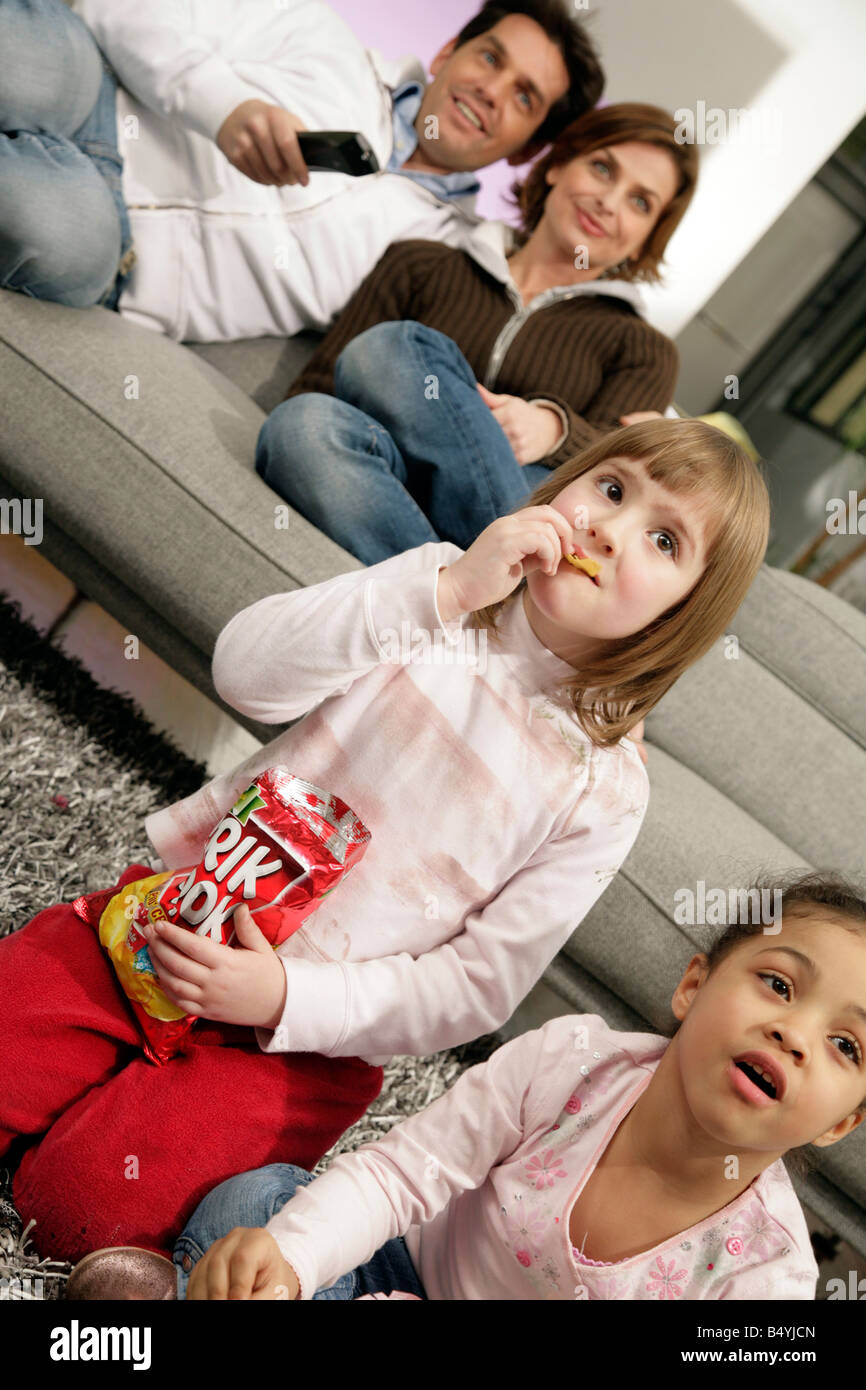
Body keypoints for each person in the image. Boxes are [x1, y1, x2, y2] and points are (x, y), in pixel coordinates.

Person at [0, 418, 769, 1264]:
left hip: (299, 1053)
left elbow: (478, 989)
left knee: (72, 1205)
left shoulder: (605, 790)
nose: (608, 530)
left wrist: (283, 999)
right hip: (168, 928)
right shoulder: (436, 594)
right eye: (612, 489)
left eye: (663, 540)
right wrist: (443, 588)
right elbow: (244, 673)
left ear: (682, 613)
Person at [69, 868, 863, 1301]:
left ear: (840, 1125)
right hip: (390, 1266)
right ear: (693, 986)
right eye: (780, 986)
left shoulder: (767, 1276)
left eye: (844, 1046)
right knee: (260, 1202)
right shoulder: (571, 1062)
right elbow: (398, 1175)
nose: (793, 1036)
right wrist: (293, 1262)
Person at [0, 0, 603, 341]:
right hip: (100, 91)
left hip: (115, 248)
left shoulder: (445, 260)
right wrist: (223, 107)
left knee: (34, 219)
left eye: (524, 97)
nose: (491, 90)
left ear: (529, 150)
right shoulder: (322, 37)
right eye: (490, 58)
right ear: (449, 54)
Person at [256, 103, 697, 562]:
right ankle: (475, 596)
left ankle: (469, 582)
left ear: (649, 236)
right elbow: (319, 390)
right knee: (305, 419)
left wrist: (555, 430)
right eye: (602, 169)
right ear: (559, 166)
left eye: (640, 202)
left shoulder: (645, 350)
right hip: (381, 476)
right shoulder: (421, 265)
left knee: (392, 350)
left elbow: (614, 494)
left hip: (530, 514)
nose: (609, 202)